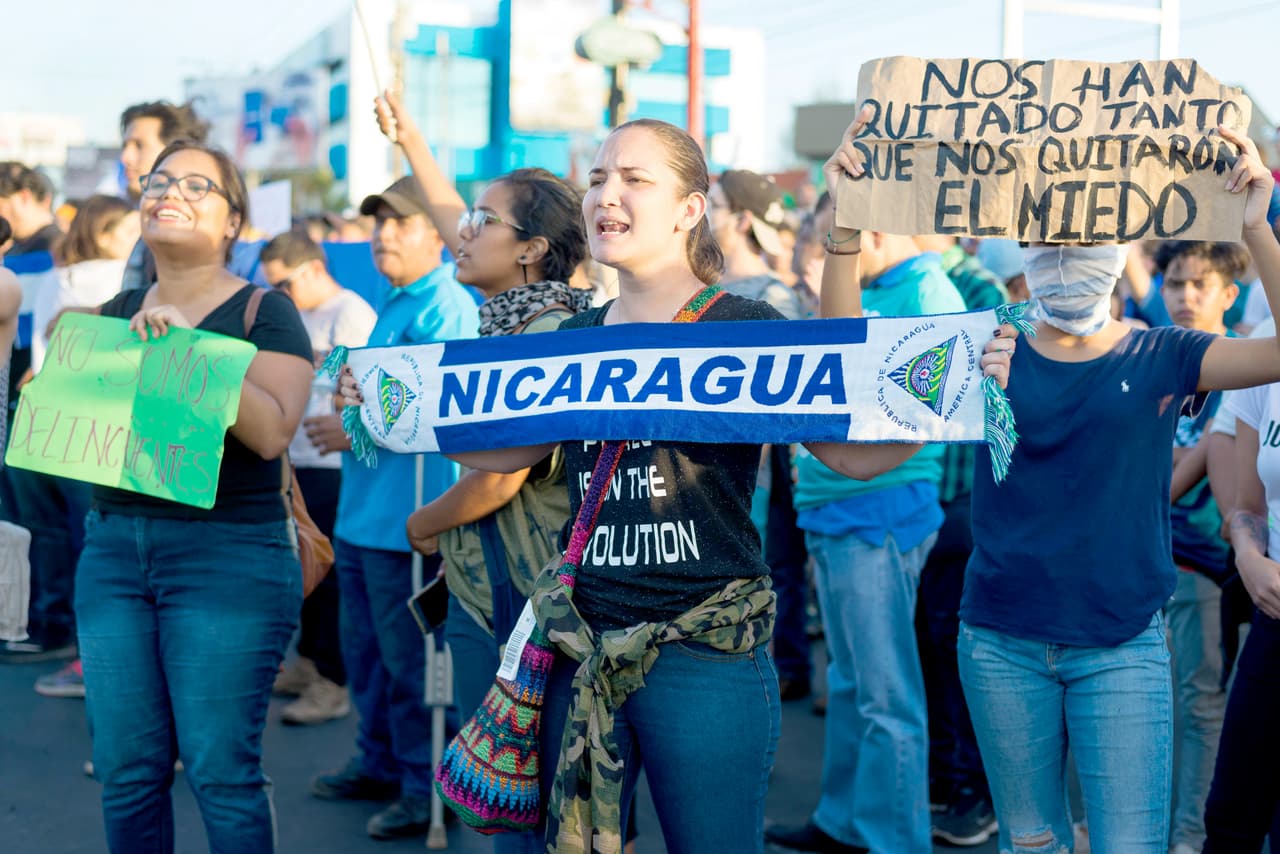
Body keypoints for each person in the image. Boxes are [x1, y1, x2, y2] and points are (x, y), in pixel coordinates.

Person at [342, 111, 1015, 853]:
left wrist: (956, 394)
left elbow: (852, 450)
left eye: (634, 179)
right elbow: (510, 454)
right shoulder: (572, 337)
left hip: (705, 661)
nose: (606, 195)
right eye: (598, 178)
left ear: (690, 209)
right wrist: (375, 403)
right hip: (579, 648)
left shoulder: (745, 323)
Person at [956, 125, 1280, 853]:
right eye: (1047, 242)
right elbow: (856, 379)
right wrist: (846, 242)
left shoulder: (1165, 352)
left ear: (1121, 250)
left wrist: (1256, 225)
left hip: (1122, 644)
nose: (1065, 257)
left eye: (1088, 239)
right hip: (1000, 641)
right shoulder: (984, 344)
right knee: (1030, 844)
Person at [74, 139, 314, 853]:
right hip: (114, 548)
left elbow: (271, 432)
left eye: (195, 185)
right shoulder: (112, 311)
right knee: (126, 771)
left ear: (233, 221)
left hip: (228, 557)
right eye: (157, 181)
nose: (167, 192)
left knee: (220, 772)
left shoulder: (263, 311)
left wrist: (185, 353)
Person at [370, 89, 593, 854]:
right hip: (493, 590)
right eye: (464, 219)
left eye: (482, 223)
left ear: (531, 249)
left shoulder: (550, 331)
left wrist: (424, 524)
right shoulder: (509, 316)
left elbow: (503, 473)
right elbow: (455, 219)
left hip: (524, 601)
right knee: (503, 788)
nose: (459, 235)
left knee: (513, 796)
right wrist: (412, 140)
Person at [768, 227, 966, 854]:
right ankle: (846, 823)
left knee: (886, 694)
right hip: (839, 512)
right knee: (856, 686)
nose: (833, 251)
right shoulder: (892, 287)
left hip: (877, 511)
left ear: (875, 228)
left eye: (838, 236)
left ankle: (892, 841)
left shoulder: (928, 291)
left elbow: (940, 405)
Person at [309, 172, 479, 841]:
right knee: (370, 657)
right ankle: (376, 761)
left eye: (400, 223)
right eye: (378, 223)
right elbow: (360, 400)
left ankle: (419, 784)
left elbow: (438, 413)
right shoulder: (393, 299)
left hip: (407, 521)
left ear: (435, 234)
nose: (384, 234)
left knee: (412, 666)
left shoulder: (449, 305)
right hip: (363, 514)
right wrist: (349, 419)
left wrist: (352, 422)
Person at [908, 236, 1007, 847]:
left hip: (962, 494)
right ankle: (944, 779)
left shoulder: (977, 290)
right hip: (927, 492)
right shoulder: (912, 279)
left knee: (956, 649)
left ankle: (975, 791)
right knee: (931, 643)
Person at [21, 195, 139, 696]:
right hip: (99, 421)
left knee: (62, 535)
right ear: (107, 234)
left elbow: (44, 347)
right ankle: (96, 652)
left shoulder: (56, 277)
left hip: (50, 414)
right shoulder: (119, 276)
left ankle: (67, 636)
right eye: (130, 228)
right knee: (101, 540)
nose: (139, 237)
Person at [259, 230, 376, 725]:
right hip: (297, 457)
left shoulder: (352, 311)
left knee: (328, 576)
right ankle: (307, 662)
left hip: (332, 462)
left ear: (311, 269)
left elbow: (368, 383)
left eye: (283, 283)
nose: (279, 295)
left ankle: (333, 681)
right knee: (302, 563)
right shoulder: (296, 313)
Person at [1155, 240, 1249, 854]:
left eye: (1200, 285)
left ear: (1228, 294)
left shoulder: (1243, 363)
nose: (1186, 297)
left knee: (1199, 708)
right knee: (1152, 707)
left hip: (1205, 565)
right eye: (1174, 284)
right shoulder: (1152, 354)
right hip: (1150, 558)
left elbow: (1177, 468)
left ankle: (1190, 838)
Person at [1203, 321, 1280, 852]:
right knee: (1231, 817)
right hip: (1276, 620)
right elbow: (1248, 507)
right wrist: (1249, 557)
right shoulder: (1269, 337)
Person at [117, 100, 210, 291]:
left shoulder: (205, 235)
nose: (125, 157)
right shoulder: (147, 236)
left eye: (139, 146)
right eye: (125, 145)